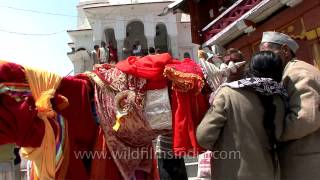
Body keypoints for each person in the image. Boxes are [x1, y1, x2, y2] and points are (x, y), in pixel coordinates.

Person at [197, 51, 287, 180]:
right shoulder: (279, 98)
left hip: (230, 173)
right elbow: (279, 134)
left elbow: (204, 137)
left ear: (249, 68)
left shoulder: (227, 93)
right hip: (268, 172)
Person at [259, 31, 320, 180]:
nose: (265, 59)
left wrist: (272, 133)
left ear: (285, 50)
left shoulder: (298, 72)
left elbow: (305, 118)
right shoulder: (286, 73)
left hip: (307, 162)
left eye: (268, 53)